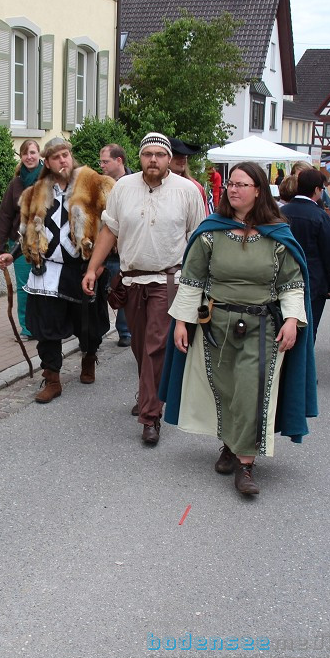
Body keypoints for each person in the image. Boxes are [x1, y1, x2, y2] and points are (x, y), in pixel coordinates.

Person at [159, 161, 318, 496]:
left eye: (242, 184)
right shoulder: (211, 232)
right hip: (214, 326)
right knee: (226, 389)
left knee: (250, 389)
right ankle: (230, 445)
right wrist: (182, 323)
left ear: (258, 190)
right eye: (231, 183)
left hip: (262, 327)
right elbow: (191, 280)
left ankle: (246, 465)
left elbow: (291, 282)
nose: (233, 189)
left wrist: (292, 320)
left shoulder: (277, 235)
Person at [82, 133, 205, 445]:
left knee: (155, 346)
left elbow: (199, 241)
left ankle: (151, 416)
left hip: (168, 281)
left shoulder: (187, 191)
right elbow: (110, 229)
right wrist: (93, 268)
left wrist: (198, 285)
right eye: (148, 154)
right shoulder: (123, 187)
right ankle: (150, 391)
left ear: (169, 159)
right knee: (140, 346)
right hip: (131, 280)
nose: (153, 160)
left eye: (160, 155)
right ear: (139, 157)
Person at [20, 137, 113, 403]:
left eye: (66, 155)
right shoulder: (36, 192)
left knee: (88, 324)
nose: (63, 160)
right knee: (46, 326)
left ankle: (89, 357)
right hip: (47, 270)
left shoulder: (94, 185)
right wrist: (13, 251)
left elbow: (113, 226)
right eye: (57, 157)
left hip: (84, 268)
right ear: (47, 162)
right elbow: (26, 227)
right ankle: (52, 378)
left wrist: (101, 263)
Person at [0, 140, 42, 339]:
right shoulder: (15, 183)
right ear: (21, 157)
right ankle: (27, 328)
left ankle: (46, 324)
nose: (29, 157)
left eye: (32, 152)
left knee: (44, 286)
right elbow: (5, 216)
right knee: (24, 287)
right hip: (20, 245)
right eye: (25, 153)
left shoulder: (48, 180)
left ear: (39, 154)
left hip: (46, 243)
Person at [281, 169, 330, 341]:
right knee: (308, 330)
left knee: (283, 325)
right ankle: (304, 366)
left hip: (283, 277)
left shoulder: (281, 212)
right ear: (317, 190)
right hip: (313, 280)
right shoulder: (320, 216)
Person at [99, 143, 133, 347]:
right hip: (105, 249)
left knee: (124, 291)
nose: (101, 165)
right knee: (100, 291)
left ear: (119, 161)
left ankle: (125, 332)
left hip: (128, 249)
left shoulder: (135, 183)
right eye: (101, 161)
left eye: (105, 161)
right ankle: (99, 330)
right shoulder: (99, 183)